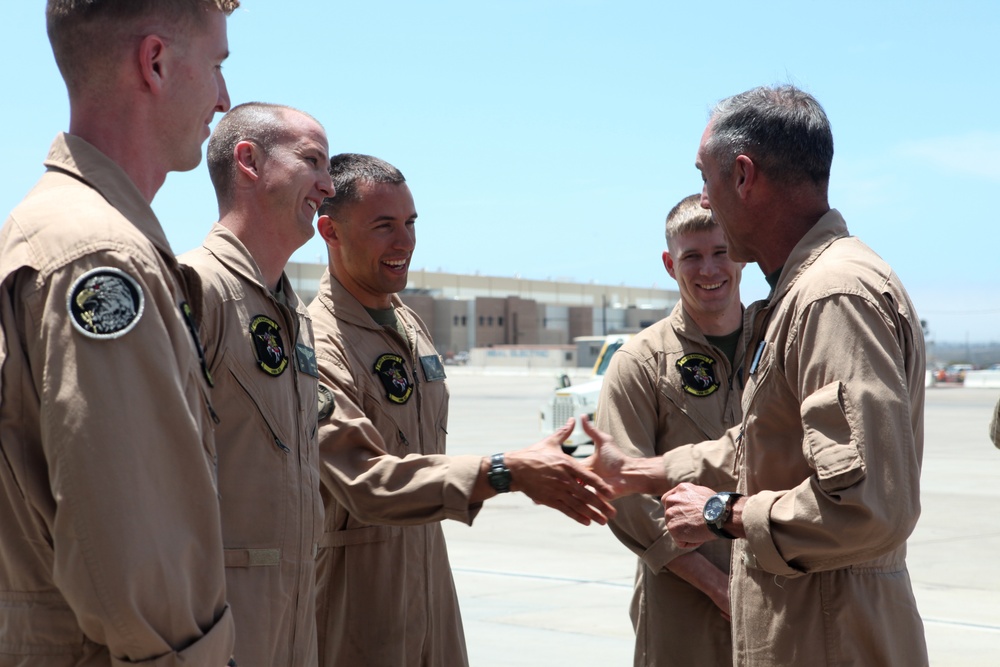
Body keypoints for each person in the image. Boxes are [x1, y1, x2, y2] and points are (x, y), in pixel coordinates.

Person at [588, 85, 929, 666]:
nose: (705, 198)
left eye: (706, 177)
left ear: (743, 176)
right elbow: (769, 443)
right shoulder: (806, 293)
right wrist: (647, 471)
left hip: (830, 633)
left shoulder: (831, 297)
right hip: (812, 624)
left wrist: (722, 513)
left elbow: (866, 506)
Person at [0, 1, 240, 665]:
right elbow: (134, 566)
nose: (224, 99)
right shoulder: (101, 257)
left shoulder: (59, 229)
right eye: (217, 66)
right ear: (156, 62)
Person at [309, 153, 616, 667]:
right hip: (357, 608)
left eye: (410, 223)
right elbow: (366, 484)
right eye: (383, 226)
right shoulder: (318, 343)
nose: (404, 241)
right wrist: (503, 472)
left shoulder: (409, 327)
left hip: (432, 594)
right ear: (330, 231)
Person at [179, 102, 333, 666]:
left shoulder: (295, 315)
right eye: (313, 160)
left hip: (292, 625)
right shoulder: (197, 288)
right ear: (248, 161)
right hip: (217, 628)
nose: (328, 183)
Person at [596, 193, 744, 666]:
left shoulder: (782, 340)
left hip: (785, 591)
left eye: (721, 252)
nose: (709, 270)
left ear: (739, 252)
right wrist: (717, 586)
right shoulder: (640, 362)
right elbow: (624, 495)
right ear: (669, 263)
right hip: (684, 605)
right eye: (692, 256)